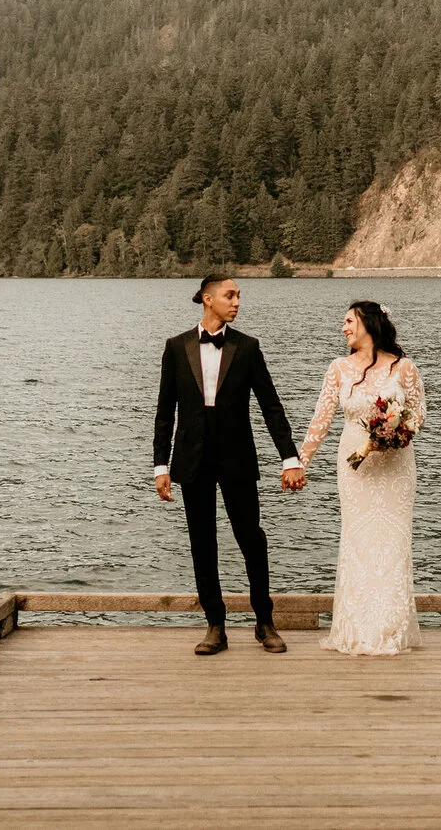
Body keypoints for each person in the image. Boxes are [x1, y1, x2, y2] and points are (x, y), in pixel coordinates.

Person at [153, 273, 304, 655]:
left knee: (251, 538)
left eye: (238, 296)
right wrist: (160, 466)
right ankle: (215, 626)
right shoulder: (175, 347)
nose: (237, 302)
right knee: (202, 543)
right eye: (230, 295)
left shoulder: (248, 347)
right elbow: (164, 412)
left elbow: (271, 406)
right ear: (208, 298)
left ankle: (264, 622)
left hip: (237, 457)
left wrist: (289, 457)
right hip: (191, 459)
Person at [297, 299, 426, 655]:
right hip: (353, 464)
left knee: (393, 541)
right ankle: (356, 629)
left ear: (369, 323)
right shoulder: (338, 369)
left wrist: (392, 434)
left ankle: (390, 629)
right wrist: (300, 463)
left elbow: (417, 416)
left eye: (349, 321)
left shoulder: (405, 368)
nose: (344, 328)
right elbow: (320, 420)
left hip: (396, 467)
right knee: (358, 539)